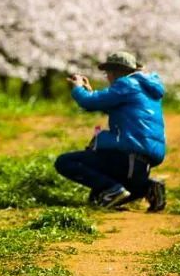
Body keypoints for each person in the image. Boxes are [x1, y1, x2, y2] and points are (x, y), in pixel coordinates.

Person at [55, 51, 167, 211]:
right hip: (142, 163)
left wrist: (78, 88)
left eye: (107, 73)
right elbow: (122, 110)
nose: (107, 77)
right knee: (99, 198)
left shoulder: (127, 84)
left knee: (65, 162)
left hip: (127, 155)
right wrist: (90, 91)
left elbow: (88, 102)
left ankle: (113, 190)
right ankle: (148, 188)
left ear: (115, 72)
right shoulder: (146, 88)